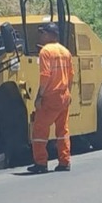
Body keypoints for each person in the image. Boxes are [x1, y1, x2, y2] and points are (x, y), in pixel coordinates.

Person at [27, 22, 75, 174]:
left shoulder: (46, 52)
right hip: (64, 95)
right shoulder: (65, 52)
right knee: (63, 131)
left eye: (42, 33)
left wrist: (39, 96)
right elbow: (71, 75)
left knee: (40, 130)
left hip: (50, 96)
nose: (40, 36)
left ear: (50, 35)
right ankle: (64, 162)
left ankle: (40, 163)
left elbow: (45, 76)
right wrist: (69, 93)